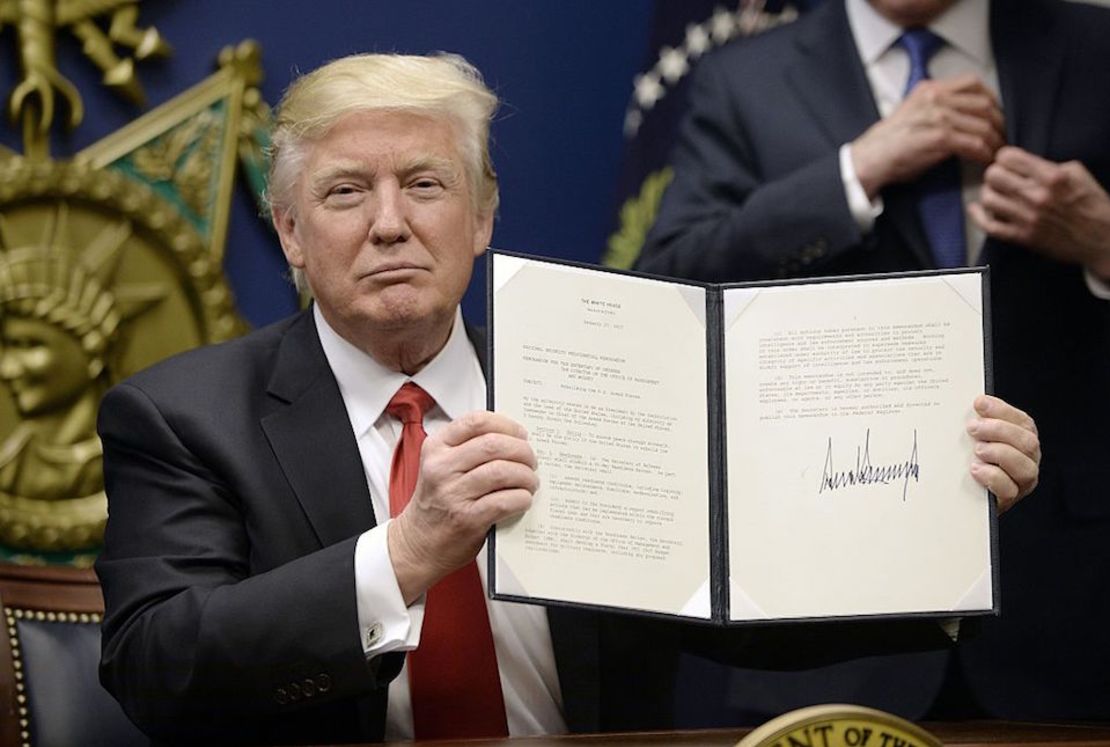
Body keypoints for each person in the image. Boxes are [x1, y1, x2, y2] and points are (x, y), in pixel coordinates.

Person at [95, 52, 1040, 745]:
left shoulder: (597, 370)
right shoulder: (182, 416)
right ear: (292, 232)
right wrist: (407, 553)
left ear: (483, 218)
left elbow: (740, 607)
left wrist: (939, 522)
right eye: (347, 193)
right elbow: (158, 669)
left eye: (426, 184)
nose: (390, 224)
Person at [637, 0, 1109, 722]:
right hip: (830, 621)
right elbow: (672, 289)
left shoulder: (1094, 45)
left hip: (1069, 603)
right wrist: (855, 172)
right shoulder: (745, 77)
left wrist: (1103, 240)